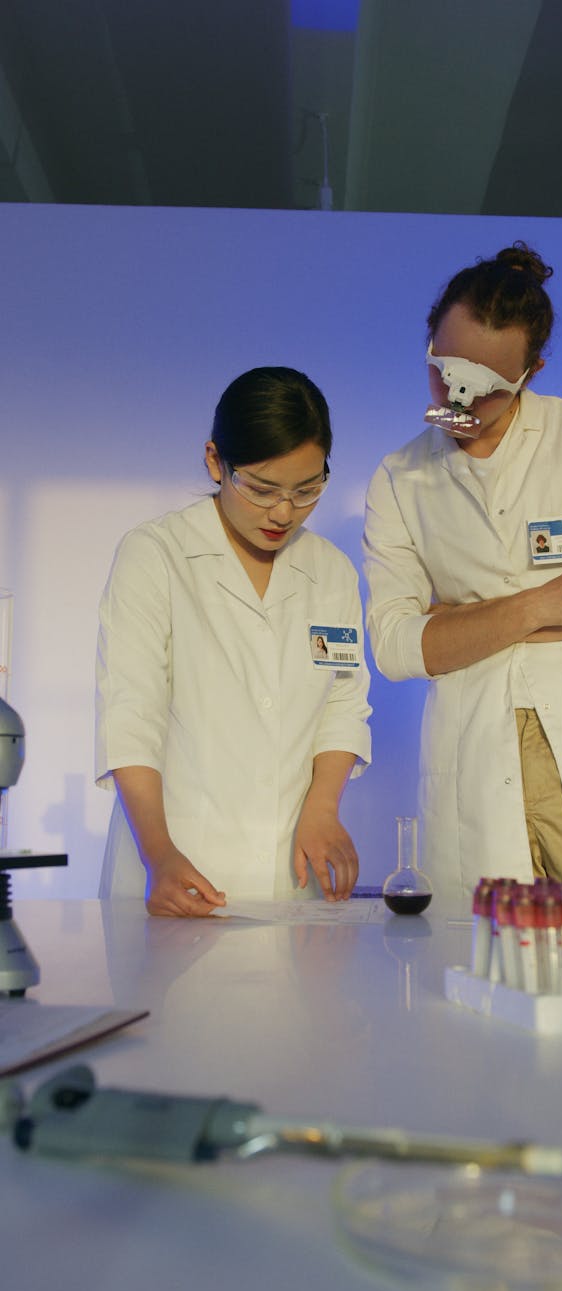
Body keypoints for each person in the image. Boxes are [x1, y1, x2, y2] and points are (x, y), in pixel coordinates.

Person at [363, 242, 562, 904]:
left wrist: (454, 625)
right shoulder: (399, 477)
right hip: (475, 763)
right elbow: (393, 647)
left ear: (530, 372)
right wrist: (551, 600)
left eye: (488, 386)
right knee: (478, 983)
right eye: (443, 371)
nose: (459, 397)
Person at [96, 366, 372, 916]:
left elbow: (343, 700)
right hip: (177, 867)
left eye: (308, 490)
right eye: (263, 489)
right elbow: (132, 716)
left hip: (291, 878)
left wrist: (323, 807)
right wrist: (160, 855)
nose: (283, 512)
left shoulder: (332, 571)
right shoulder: (157, 554)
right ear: (214, 461)